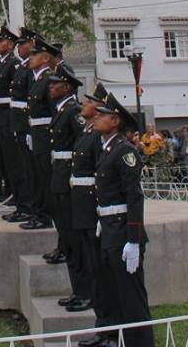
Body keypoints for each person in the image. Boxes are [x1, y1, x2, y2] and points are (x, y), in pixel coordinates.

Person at [93, 93, 153, 347]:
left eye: (101, 115)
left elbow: (134, 197)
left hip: (121, 231)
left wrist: (134, 240)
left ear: (115, 120)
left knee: (131, 296)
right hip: (109, 228)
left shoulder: (124, 151)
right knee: (114, 292)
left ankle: (140, 343)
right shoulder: (107, 148)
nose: (95, 118)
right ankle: (119, 340)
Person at [47, 66, 91, 311]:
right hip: (59, 176)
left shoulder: (74, 112)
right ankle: (78, 290)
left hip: (68, 179)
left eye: (55, 84)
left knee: (75, 241)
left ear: (68, 87)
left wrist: (76, 177)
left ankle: (85, 291)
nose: (51, 87)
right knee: (67, 237)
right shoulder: (61, 109)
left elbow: (81, 148)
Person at [72, 83, 110, 347]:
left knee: (100, 271)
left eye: (89, 102)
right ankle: (103, 327)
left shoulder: (98, 137)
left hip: (92, 210)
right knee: (93, 267)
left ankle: (107, 330)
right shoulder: (88, 131)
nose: (83, 104)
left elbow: (101, 176)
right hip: (82, 208)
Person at [20, 35, 58, 230]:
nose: (30, 57)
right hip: (36, 132)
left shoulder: (49, 79)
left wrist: (52, 140)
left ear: (44, 58)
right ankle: (39, 213)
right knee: (35, 176)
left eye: (35, 54)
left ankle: (45, 216)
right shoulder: (36, 80)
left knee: (44, 177)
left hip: (45, 134)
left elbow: (55, 113)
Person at [3, 30, 34, 224]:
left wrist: (27, 127)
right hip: (17, 122)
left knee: (26, 169)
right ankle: (22, 206)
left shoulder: (29, 68)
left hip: (25, 123)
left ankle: (28, 207)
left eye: (22, 44)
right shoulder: (22, 67)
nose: (19, 47)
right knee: (17, 167)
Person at [0, 27, 19, 203]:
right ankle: (11, 192)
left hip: (8, 113)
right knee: (5, 158)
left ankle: (18, 196)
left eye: (0, 41)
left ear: (10, 44)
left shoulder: (13, 64)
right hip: (0, 114)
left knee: (14, 159)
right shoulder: (1, 63)